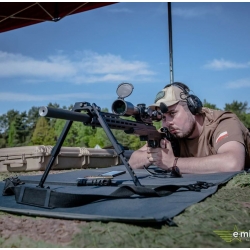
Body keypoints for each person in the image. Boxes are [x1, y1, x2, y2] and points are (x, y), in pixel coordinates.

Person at [129, 82, 250, 174]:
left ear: (192, 108)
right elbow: (133, 162)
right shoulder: (170, 131)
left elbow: (233, 163)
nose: (167, 123)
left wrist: (173, 163)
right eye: (163, 117)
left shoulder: (222, 122)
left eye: (172, 114)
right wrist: (154, 155)